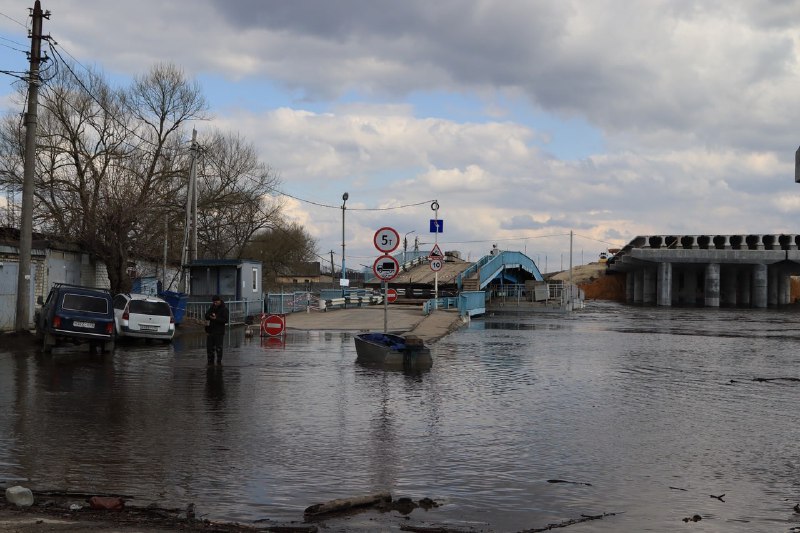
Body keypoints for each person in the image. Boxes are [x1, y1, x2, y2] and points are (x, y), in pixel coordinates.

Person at [205, 295, 229, 365]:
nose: (215, 303)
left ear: (219, 301)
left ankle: (219, 362)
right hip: (210, 331)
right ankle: (210, 362)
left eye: (216, 302)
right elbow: (206, 315)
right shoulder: (212, 307)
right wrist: (210, 316)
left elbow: (225, 320)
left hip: (219, 332)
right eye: (214, 302)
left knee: (218, 348)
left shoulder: (224, 309)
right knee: (209, 348)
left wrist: (216, 319)